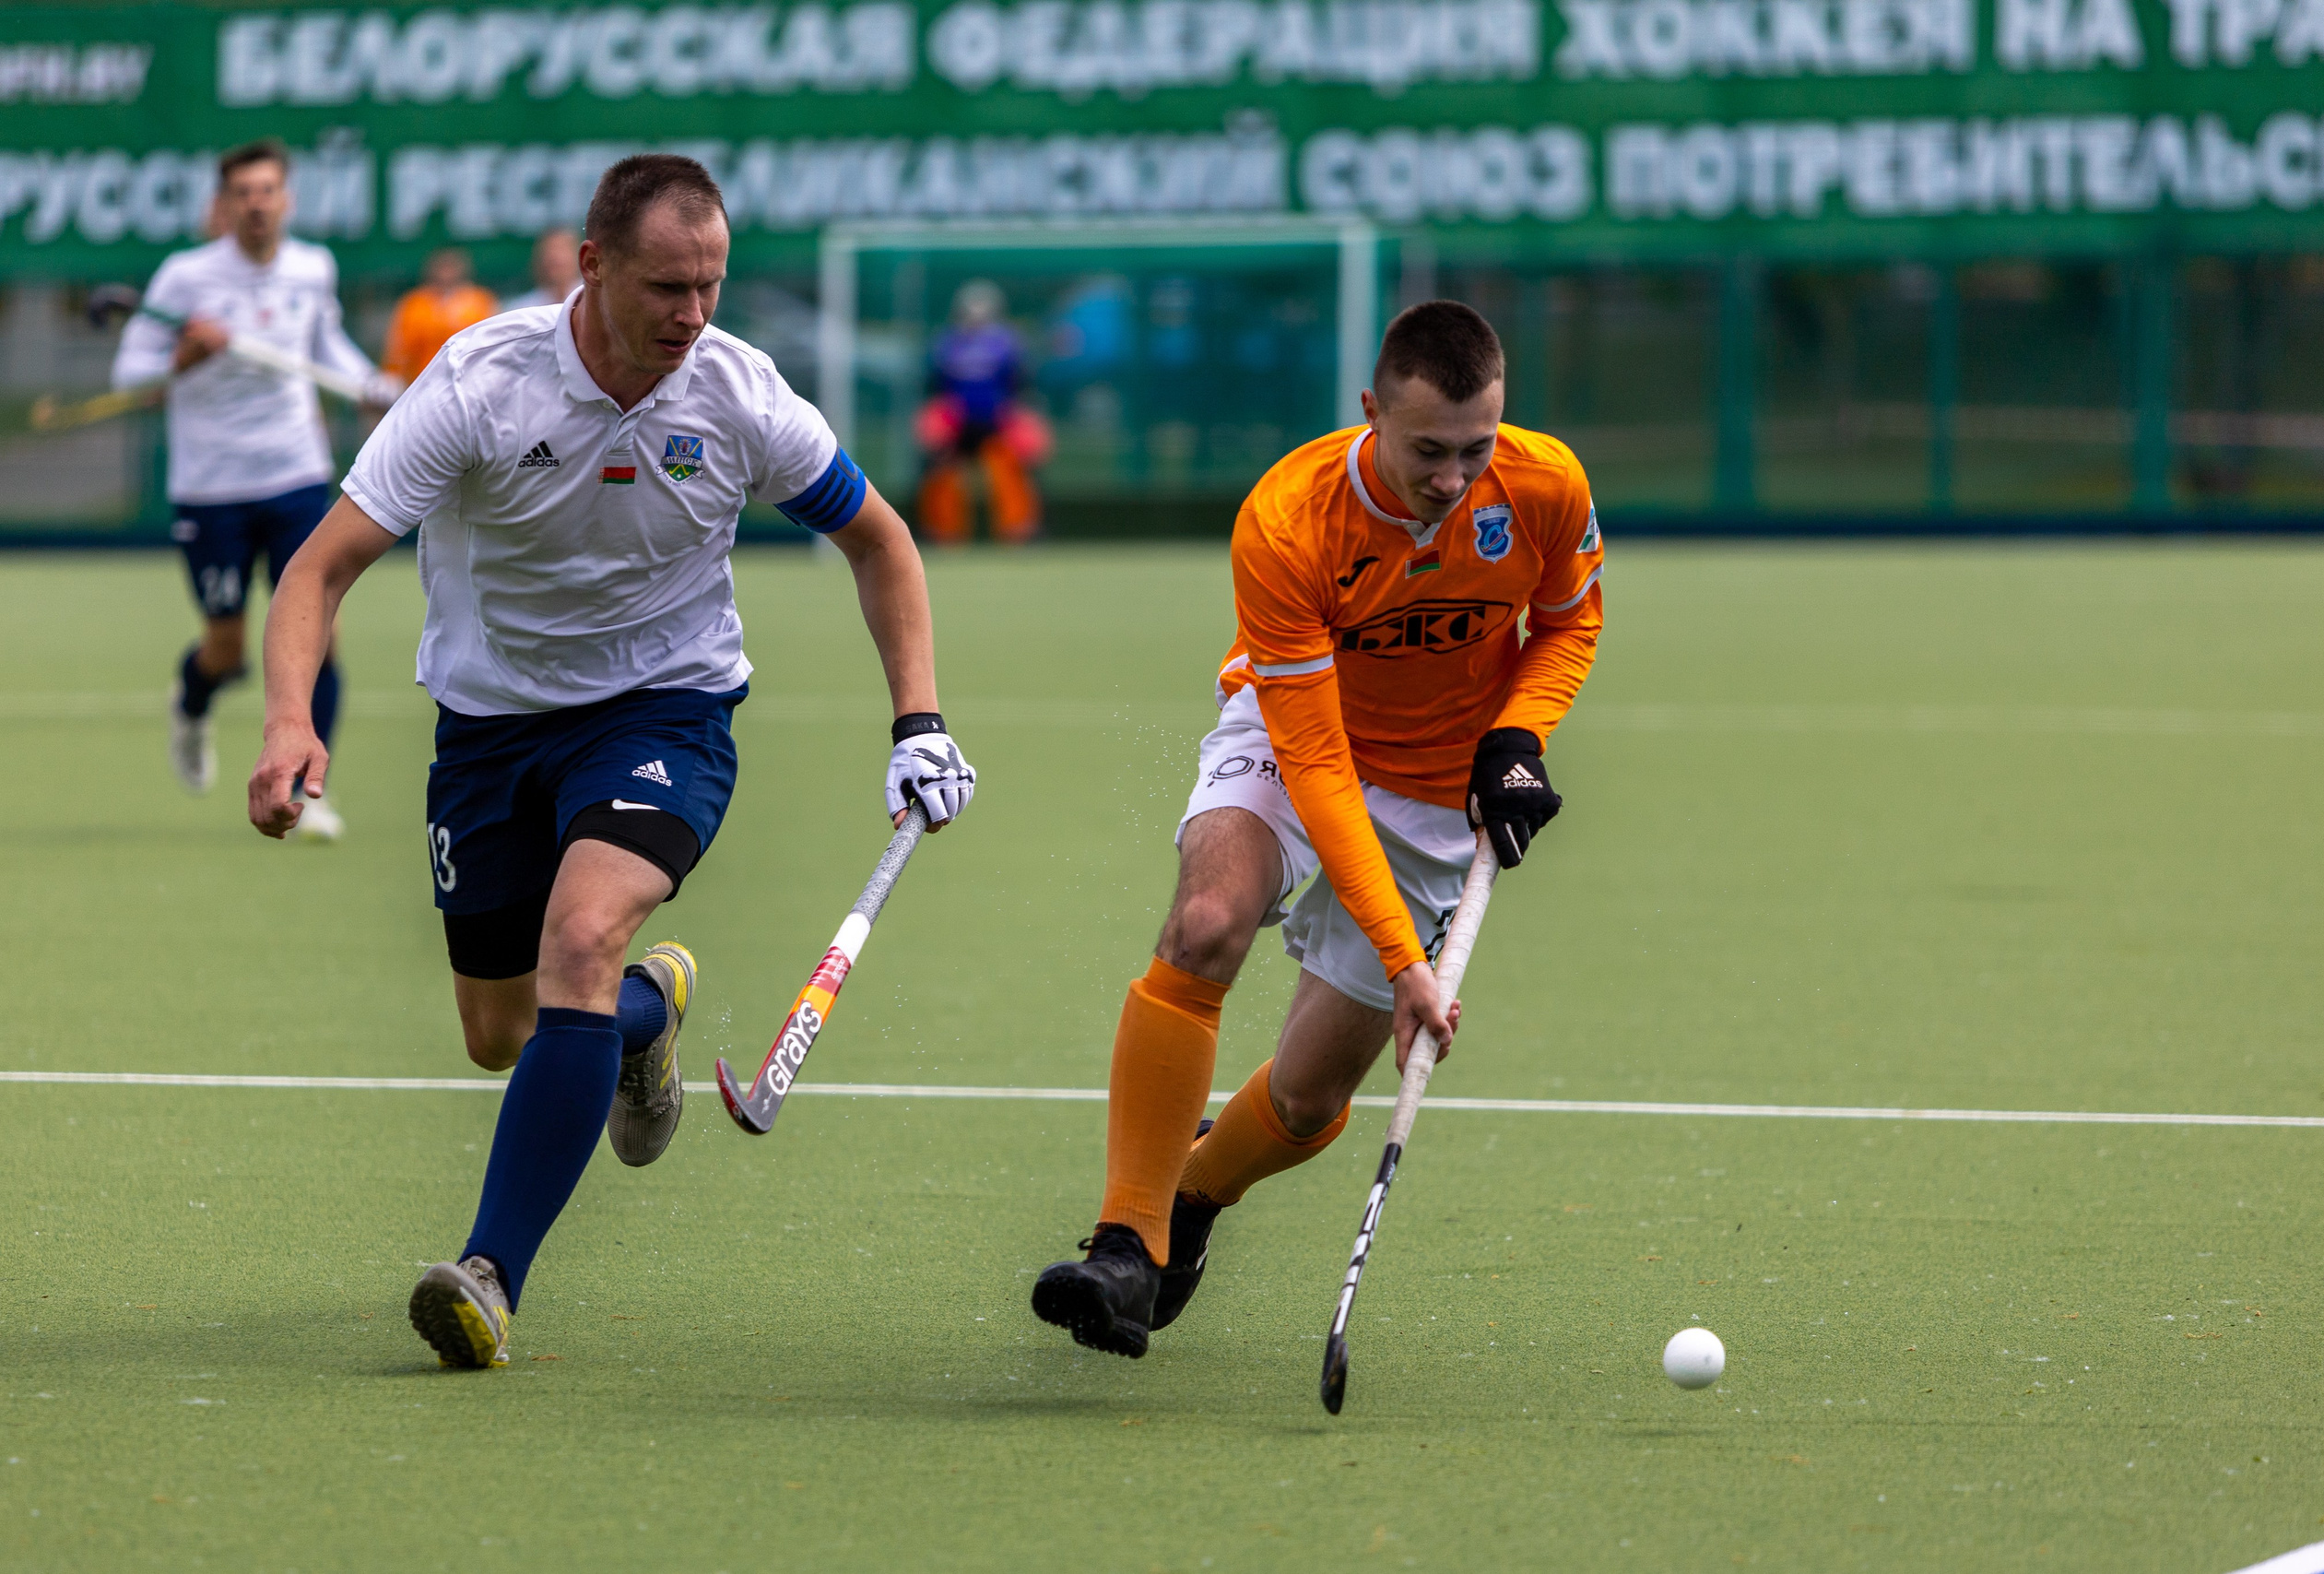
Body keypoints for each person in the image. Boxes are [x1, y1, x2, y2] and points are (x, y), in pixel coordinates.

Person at [243, 154, 978, 1370]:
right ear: (591, 267)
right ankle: (647, 1012)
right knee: (499, 1031)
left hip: (664, 710)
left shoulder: (739, 394)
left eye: (711, 285)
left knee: (580, 935)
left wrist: (919, 720)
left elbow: (880, 541)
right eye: (667, 286)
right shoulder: (479, 383)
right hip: (489, 726)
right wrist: (287, 720)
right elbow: (319, 569)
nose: (693, 313)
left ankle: (489, 1275)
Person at [1029, 301, 1603, 1358]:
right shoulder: (1289, 521)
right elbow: (1319, 768)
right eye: (1427, 451)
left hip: (1436, 791)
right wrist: (1404, 962)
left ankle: (1193, 1196)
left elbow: (1568, 622)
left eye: (1475, 448)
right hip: (1301, 734)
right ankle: (1125, 1242)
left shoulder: (1545, 484)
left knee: (1303, 1101)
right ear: (1370, 411)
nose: (1453, 478)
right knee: (1207, 922)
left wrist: (1518, 736)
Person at [112, 138, 395, 837]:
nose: (257, 204)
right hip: (211, 486)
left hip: (295, 472)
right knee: (227, 650)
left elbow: (323, 348)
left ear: (286, 199)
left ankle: (307, 789)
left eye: (267, 190)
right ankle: (192, 702)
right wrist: (185, 356)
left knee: (320, 633)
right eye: (243, 193)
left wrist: (368, 383)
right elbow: (130, 377)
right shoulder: (186, 277)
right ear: (224, 203)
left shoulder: (312, 267)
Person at [914, 279, 1047, 545]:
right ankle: (941, 534)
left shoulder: (1007, 343)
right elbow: (935, 387)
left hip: (997, 422)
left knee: (1011, 472)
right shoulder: (947, 344)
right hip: (956, 424)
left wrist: (1020, 418)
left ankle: (1019, 533)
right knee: (941, 474)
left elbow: (1020, 385)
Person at [381, 247, 498, 385]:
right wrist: (392, 376)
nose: (446, 272)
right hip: (423, 380)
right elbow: (399, 347)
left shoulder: (480, 300)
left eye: (451, 266)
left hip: (468, 380)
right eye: (442, 266)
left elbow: (490, 342)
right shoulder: (415, 302)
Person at [502, 227, 582, 313]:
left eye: (562, 249)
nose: (555, 257)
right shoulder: (521, 309)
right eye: (549, 250)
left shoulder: (590, 302)